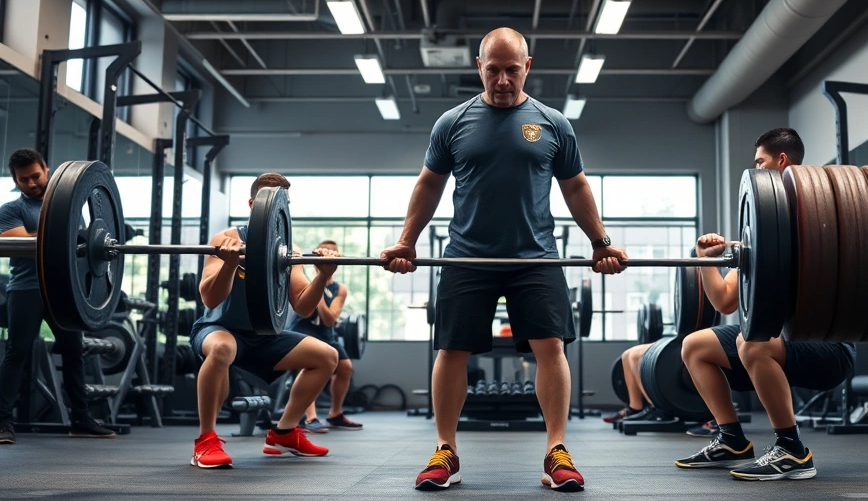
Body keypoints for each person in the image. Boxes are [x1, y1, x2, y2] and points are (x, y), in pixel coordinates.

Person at [380, 27, 628, 492]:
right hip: (467, 257)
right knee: (451, 350)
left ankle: (557, 450)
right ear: (479, 67)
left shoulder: (553, 123)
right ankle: (445, 450)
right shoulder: (452, 123)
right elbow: (428, 184)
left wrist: (600, 242)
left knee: (549, 347)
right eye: (492, 69)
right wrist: (407, 241)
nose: (501, 79)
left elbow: (575, 186)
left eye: (511, 69)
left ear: (527, 67)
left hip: (535, 257)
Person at [675, 128, 855, 481]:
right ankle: (731, 439)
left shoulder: (822, 216)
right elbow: (726, 301)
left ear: (781, 160)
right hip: (776, 342)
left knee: (752, 342)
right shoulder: (757, 226)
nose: (755, 169)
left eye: (760, 161)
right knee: (694, 346)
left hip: (827, 347)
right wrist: (706, 260)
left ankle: (792, 450)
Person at [191, 173, 340, 469]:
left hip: (265, 335)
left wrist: (322, 275)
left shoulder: (289, 251)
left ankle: (283, 433)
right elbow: (210, 299)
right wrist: (230, 264)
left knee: (327, 357)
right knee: (222, 349)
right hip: (220, 329)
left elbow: (303, 306)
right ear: (253, 204)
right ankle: (205, 440)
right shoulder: (226, 239)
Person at [0, 149, 116, 444]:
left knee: (73, 353)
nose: (32, 183)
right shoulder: (11, 209)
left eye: (36, 176)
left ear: (47, 170)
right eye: (24, 179)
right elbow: (19, 241)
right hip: (26, 290)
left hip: (63, 289)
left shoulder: (70, 207)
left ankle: (81, 420)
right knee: (17, 353)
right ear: (16, 181)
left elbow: (81, 248)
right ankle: (3, 423)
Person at [284, 239, 362, 432]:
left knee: (345, 367)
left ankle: (335, 414)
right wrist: (315, 287)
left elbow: (329, 320)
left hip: (326, 332)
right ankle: (311, 417)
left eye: (332, 254)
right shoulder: (304, 282)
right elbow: (304, 310)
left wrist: (316, 294)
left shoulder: (340, 289)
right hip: (303, 330)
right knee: (308, 365)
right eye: (324, 253)